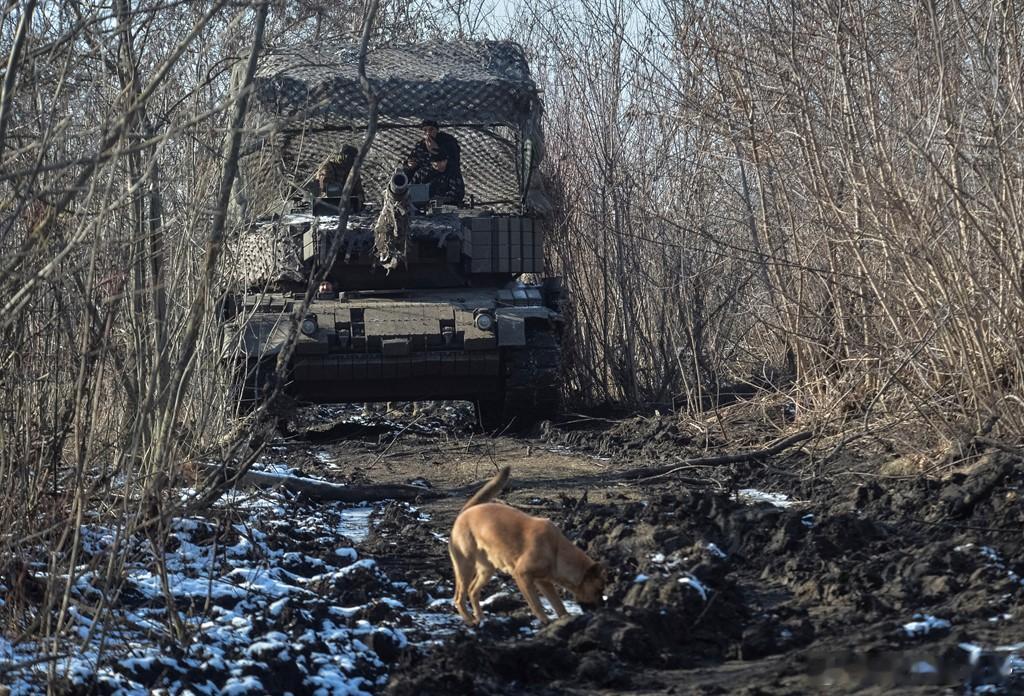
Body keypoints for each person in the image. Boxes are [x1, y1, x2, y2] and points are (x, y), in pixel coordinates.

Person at [314, 145, 364, 211]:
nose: (351, 160)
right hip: (327, 202)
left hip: (347, 204)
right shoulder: (328, 167)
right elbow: (321, 185)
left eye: (353, 158)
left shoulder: (352, 171)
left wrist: (359, 197)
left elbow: (359, 189)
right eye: (349, 157)